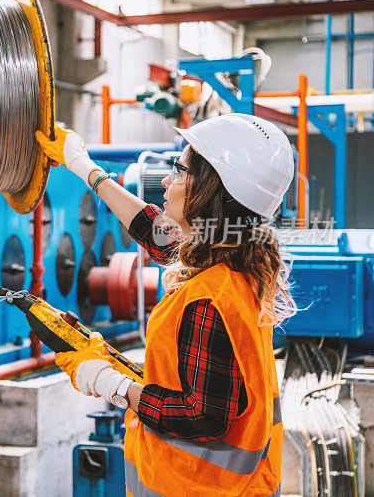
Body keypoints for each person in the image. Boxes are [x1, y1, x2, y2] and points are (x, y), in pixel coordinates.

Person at [35, 113, 296, 497]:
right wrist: (85, 168)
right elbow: (156, 235)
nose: (168, 180)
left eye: (178, 170)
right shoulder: (237, 259)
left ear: (207, 190)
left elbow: (201, 417)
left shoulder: (208, 299)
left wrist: (114, 384)